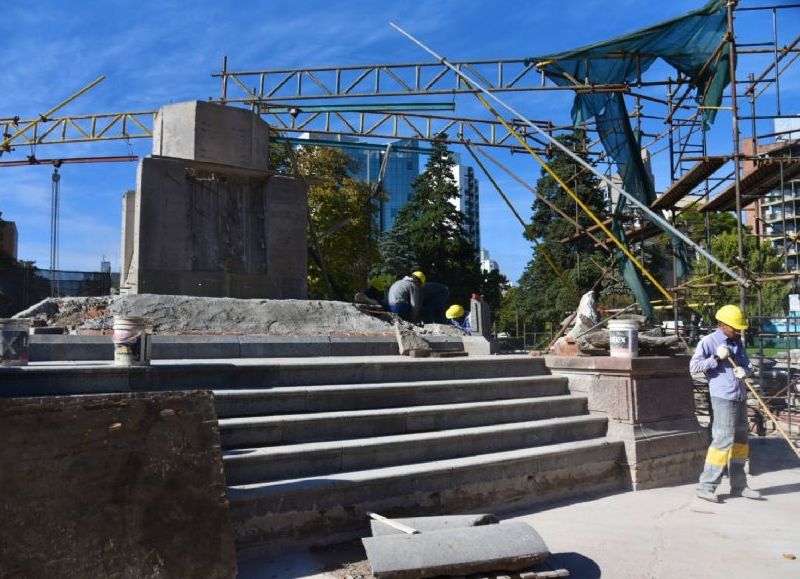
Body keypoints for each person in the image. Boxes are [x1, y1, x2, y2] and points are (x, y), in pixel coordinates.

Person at [690, 304, 761, 503]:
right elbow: (694, 367)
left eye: (739, 328)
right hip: (723, 398)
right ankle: (706, 486)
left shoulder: (737, 342)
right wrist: (715, 357)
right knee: (722, 440)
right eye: (734, 328)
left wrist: (745, 371)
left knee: (741, 441)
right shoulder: (708, 341)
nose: (738, 331)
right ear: (722, 325)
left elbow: (747, 364)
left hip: (740, 396)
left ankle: (739, 485)